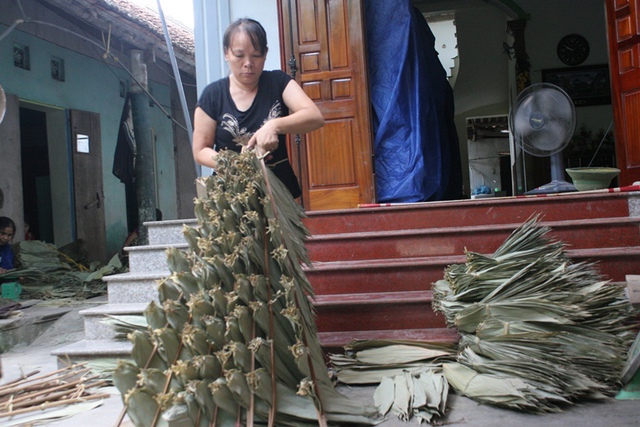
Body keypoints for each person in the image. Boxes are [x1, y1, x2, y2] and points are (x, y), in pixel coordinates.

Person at [193, 18, 325, 198]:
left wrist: (274, 126)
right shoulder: (212, 95)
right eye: (239, 55)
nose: (248, 63)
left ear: (265, 54)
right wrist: (238, 162)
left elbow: (314, 116)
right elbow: (200, 150)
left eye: (256, 55)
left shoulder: (278, 82)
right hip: (231, 195)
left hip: (278, 191)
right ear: (226, 53)